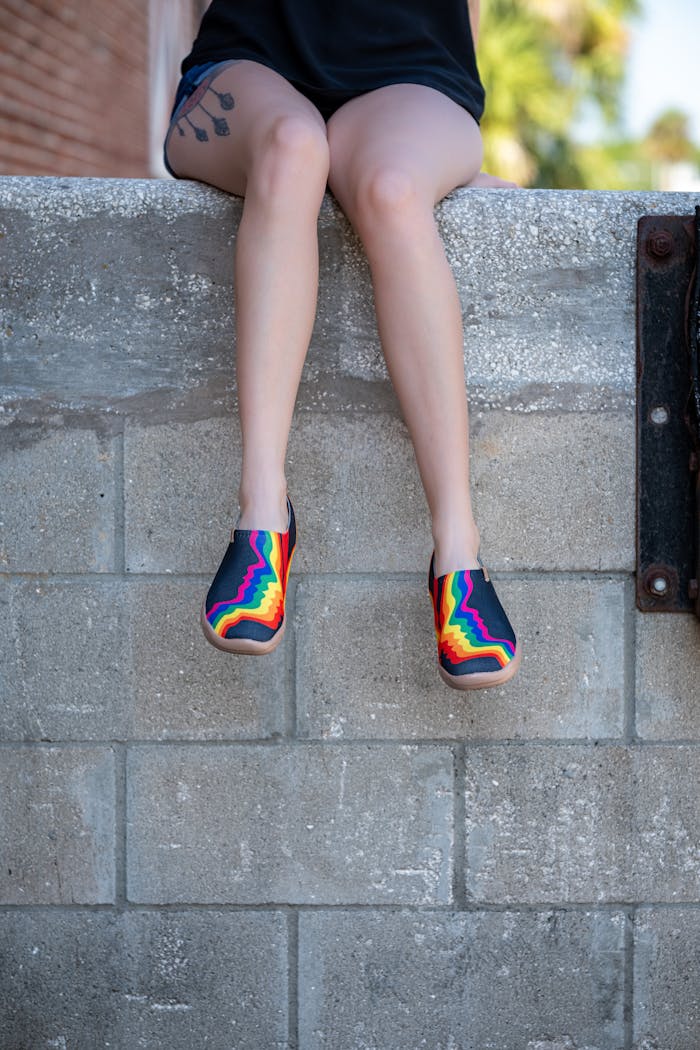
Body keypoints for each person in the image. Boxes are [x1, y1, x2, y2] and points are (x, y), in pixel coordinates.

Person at [163, 0, 521, 690]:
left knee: (391, 190)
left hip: (413, 78)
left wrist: (441, 156)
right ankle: (263, 512)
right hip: (247, 70)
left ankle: (458, 555)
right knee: (294, 151)